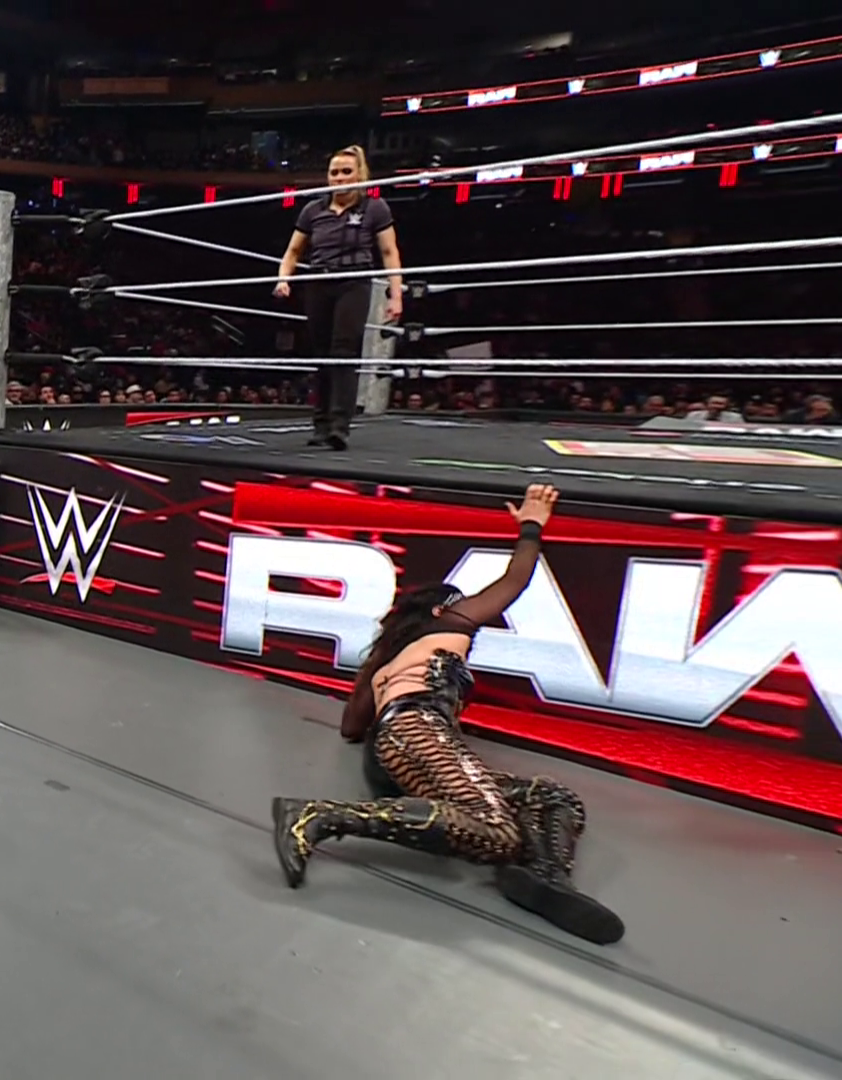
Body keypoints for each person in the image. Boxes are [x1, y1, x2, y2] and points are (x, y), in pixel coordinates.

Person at [268, 484, 625, 946]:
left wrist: (379, 680)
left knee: (555, 797)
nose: (471, 612)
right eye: (461, 603)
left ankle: (545, 877)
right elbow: (513, 583)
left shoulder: (386, 663)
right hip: (417, 730)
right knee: (499, 831)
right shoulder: (448, 626)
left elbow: (352, 728)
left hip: (403, 748)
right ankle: (318, 815)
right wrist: (531, 526)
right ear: (441, 610)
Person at [273, 146, 405, 451]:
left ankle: (339, 427)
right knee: (322, 354)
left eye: (346, 171)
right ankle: (320, 425)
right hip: (319, 282)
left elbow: (389, 252)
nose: (340, 177)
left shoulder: (374, 208)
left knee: (344, 351)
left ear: (359, 175)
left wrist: (395, 295)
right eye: (334, 172)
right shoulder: (313, 210)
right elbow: (293, 251)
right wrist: (283, 279)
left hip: (354, 282)